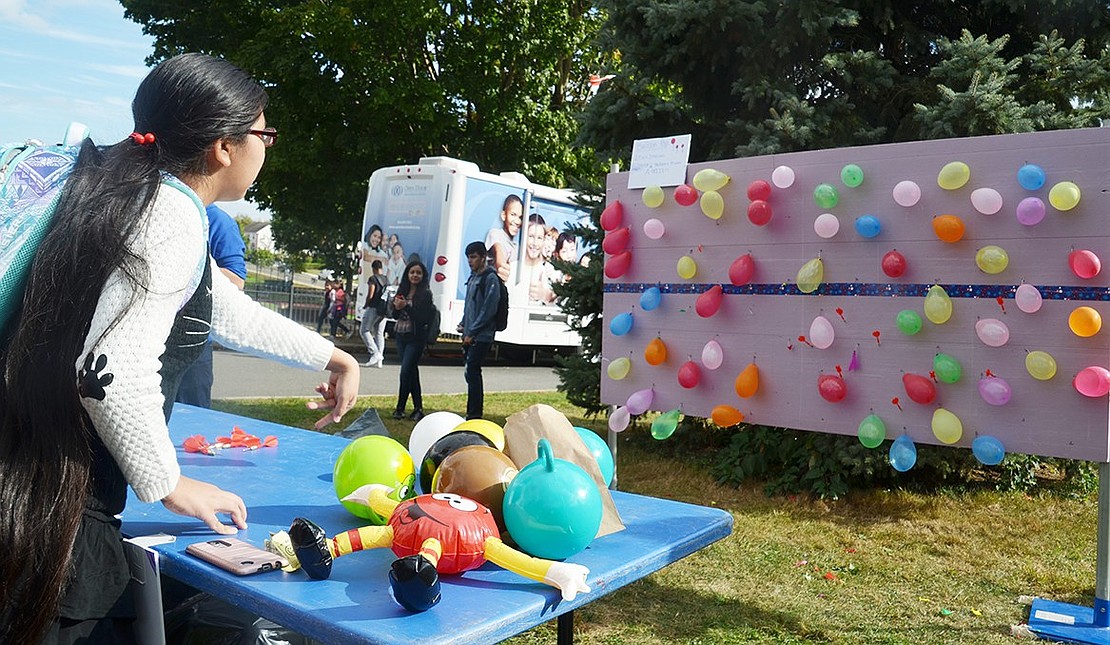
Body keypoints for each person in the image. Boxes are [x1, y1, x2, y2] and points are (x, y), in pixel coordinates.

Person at [0, 53, 360, 644]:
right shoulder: (170, 215)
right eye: (263, 133)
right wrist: (169, 483)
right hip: (57, 512)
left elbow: (221, 307)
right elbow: (108, 372)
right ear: (224, 146)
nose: (267, 148)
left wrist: (333, 356)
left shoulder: (130, 194)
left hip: (28, 479)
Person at [175, 204, 246, 408]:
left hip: (192, 342)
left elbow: (236, 279)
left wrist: (182, 270)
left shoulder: (217, 220)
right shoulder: (161, 209)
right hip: (148, 339)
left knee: (191, 415)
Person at [460, 241, 500, 420]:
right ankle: (472, 411)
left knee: (473, 371)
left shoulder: (490, 278)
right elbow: (470, 305)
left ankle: (475, 413)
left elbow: (488, 309)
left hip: (481, 335)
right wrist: (463, 324)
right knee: (470, 372)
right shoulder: (473, 277)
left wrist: (472, 331)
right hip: (469, 332)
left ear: (483, 257)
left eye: (474, 257)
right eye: (468, 257)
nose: (470, 261)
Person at [389, 260, 434, 421]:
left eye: (418, 273)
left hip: (416, 338)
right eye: (412, 272)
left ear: (423, 276)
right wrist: (396, 306)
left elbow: (423, 318)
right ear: (407, 274)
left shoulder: (426, 294)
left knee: (405, 371)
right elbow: (394, 315)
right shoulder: (402, 290)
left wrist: (406, 307)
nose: (415, 275)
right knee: (412, 373)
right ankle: (418, 408)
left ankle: (400, 408)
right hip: (401, 335)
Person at [517, 213, 557, 305]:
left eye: (539, 238)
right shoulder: (513, 269)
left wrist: (546, 296)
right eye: (531, 236)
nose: (535, 243)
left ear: (543, 241)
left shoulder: (549, 272)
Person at [484, 194, 523, 283]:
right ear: (504, 215)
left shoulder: (517, 247)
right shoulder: (494, 233)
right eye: (513, 215)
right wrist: (501, 265)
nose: (517, 221)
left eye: (520, 217)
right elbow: (497, 248)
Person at [360, 259, 387, 368]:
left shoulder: (373, 279)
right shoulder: (386, 279)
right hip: (384, 310)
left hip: (374, 308)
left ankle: (375, 353)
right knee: (379, 333)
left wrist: (366, 304)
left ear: (373, 269)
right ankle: (380, 359)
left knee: (364, 330)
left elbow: (371, 294)